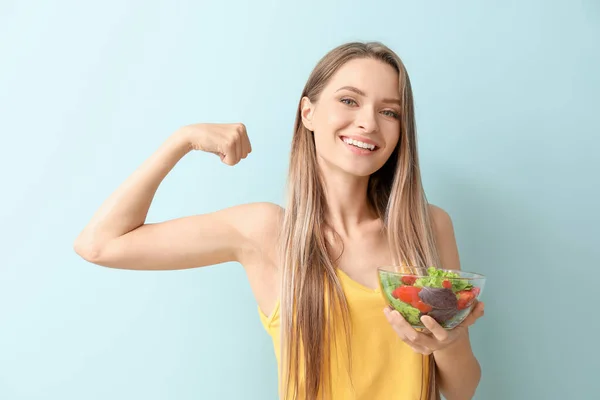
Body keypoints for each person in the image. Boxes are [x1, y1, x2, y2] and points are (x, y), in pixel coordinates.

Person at [74, 41, 484, 400]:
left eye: (389, 111)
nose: (368, 122)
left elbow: (462, 388)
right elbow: (98, 245)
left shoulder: (428, 227)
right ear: (307, 112)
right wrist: (181, 140)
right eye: (348, 100)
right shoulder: (266, 232)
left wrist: (445, 344)